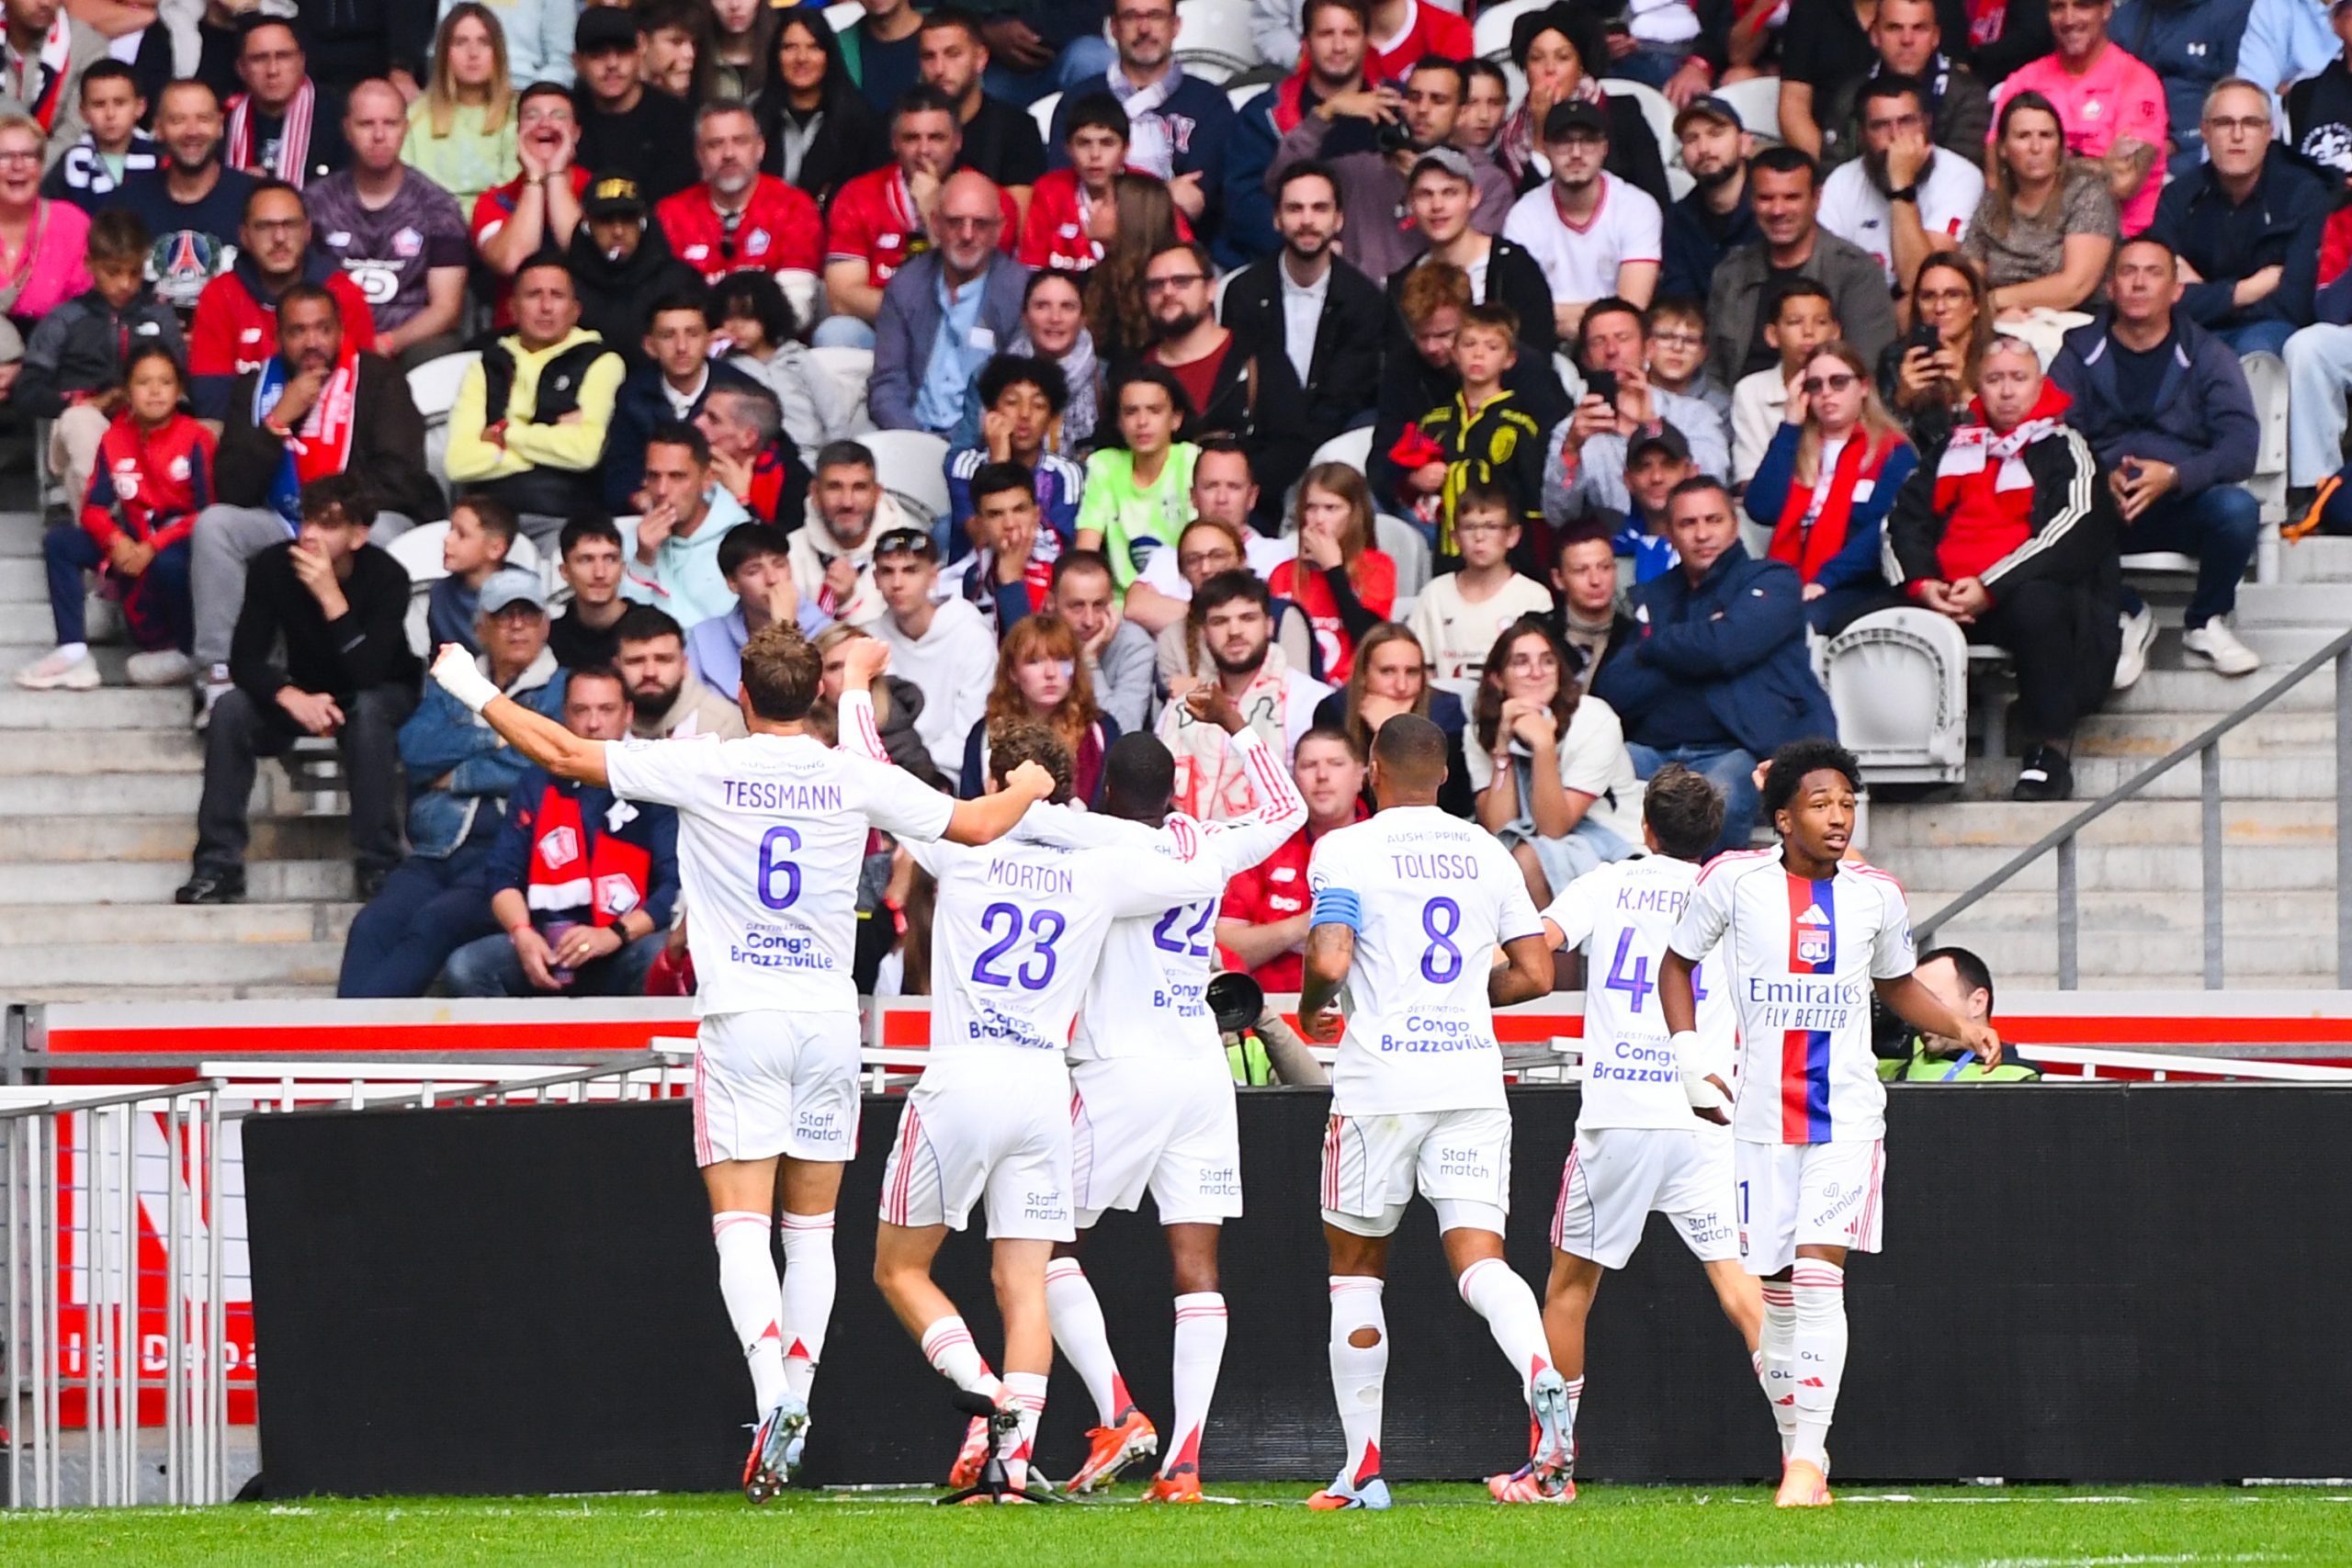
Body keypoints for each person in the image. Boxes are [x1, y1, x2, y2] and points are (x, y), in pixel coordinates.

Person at [425, 625, 1054, 1498]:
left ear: (747, 697)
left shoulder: (705, 762)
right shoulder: (853, 773)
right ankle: (797, 1398)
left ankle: (770, 1402)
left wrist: (469, 686)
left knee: (741, 1227)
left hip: (742, 1017)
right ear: (811, 694)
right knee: (813, 1234)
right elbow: (981, 826)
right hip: (830, 1019)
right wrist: (1028, 781)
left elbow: (565, 752)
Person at [866, 713, 1227, 1501]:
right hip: (1040, 1085)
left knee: (898, 1268)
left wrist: (860, 694)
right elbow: (1200, 875)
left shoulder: (962, 844)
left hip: (962, 1075)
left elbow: (875, 777)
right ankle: (1013, 1461)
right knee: (1026, 1283)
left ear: (998, 782)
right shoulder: (1100, 865)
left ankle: (989, 1397)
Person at [1660, 738, 2002, 1507]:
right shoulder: (1732, 882)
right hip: (1758, 1121)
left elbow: (1894, 983)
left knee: (1817, 1277)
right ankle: (1799, 1455)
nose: (1839, 816)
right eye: (1820, 803)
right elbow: (1675, 964)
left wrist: (1958, 1022)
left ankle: (1808, 1459)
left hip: (1846, 1117)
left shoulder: (1877, 894)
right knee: (1777, 1294)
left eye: (1848, 802)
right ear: (1781, 817)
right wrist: (1687, 1057)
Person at [995, 695, 1304, 1498]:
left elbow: (999, 820)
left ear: (1100, 791)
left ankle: (1122, 1409)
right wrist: (1237, 723)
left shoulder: (1089, 834)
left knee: (1044, 1249)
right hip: (1201, 1069)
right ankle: (1186, 1463)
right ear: (1174, 795)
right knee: (1197, 1268)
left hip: (1119, 1069)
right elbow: (1288, 807)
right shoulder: (1205, 841)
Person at [1294, 712, 1565, 1510]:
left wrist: (1315, 1007)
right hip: (1472, 1081)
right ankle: (1542, 1372)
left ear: (1372, 767)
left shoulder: (1345, 847)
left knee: (1355, 1273)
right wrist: (1465, 999)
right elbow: (1539, 971)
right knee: (1482, 1262)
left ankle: (1364, 1468)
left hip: (1380, 1086)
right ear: (1445, 774)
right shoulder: (1486, 851)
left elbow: (1331, 955)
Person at [1514, 764, 1766, 1503]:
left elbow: (1543, 943)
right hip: (1704, 1112)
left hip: (1620, 1113)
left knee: (1568, 1289)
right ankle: (1804, 1447)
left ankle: (1554, 1469)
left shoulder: (1605, 881)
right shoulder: (1735, 891)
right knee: (1740, 1286)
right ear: (1709, 833)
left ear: (1645, 829)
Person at [1889, 333, 2123, 799]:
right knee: (1869, 613)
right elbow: (1904, 520)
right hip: (1948, 594)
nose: (2007, 390)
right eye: (1994, 379)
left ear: (2039, 385)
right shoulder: (1952, 446)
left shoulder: (2065, 446)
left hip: (2023, 595)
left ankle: (2048, 753)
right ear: (1979, 386)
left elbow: (2071, 530)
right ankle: (1903, 759)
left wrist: (1990, 585)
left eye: (2019, 378)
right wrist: (1922, 584)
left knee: (2039, 605)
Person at [196, 282, 439, 716]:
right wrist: (277, 421)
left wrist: (336, 515)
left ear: (341, 331)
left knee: (378, 535)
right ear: (278, 338)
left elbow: (403, 476)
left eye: (323, 329)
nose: (312, 342)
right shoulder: (255, 387)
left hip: (362, 519)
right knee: (215, 526)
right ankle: (219, 673)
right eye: (298, 331)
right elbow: (233, 488)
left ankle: (363, 668)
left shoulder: (379, 379)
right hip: (281, 518)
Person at [179, 475, 421, 906]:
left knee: (367, 711)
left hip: (381, 689)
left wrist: (331, 598)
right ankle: (218, 863)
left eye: (328, 525)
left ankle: (379, 861)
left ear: (358, 535)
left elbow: (369, 672)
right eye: (307, 520)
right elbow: (245, 659)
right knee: (231, 708)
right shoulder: (275, 566)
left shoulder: (387, 578)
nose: (309, 534)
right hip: (306, 690)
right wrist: (290, 696)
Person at [335, 570, 564, 998]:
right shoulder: (452, 680)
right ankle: (337, 1047)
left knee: (433, 923)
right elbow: (417, 747)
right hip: (436, 849)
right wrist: (495, 737)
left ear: (545, 626)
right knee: (371, 925)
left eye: (528, 616)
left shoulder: (560, 687)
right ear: (481, 627)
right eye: (504, 616)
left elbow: (540, 764)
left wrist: (458, 774)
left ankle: (363, 1046)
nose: (517, 626)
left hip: (503, 858)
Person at [2052, 237, 2264, 677]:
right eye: (2128, 272)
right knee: (2042, 502)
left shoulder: (2209, 354)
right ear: (2110, 287)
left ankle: (2204, 621)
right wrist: (2097, 475)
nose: (2140, 284)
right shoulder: (2078, 350)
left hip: (2178, 503)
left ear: (2176, 289)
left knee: (2237, 508)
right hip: (2098, 508)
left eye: (2153, 273)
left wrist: (2175, 476)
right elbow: (2052, 434)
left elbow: (2241, 448)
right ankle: (2125, 612)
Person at [1590, 477, 1839, 851]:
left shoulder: (1773, 579)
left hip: (1739, 752)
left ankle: (1702, 902)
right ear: (1670, 534)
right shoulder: (1653, 595)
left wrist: (1657, 645)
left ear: (1734, 525)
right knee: (1591, 773)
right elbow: (1613, 689)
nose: (1702, 534)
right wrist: (1700, 646)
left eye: (1713, 520)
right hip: (1654, 750)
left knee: (1717, 799)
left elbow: (1727, 647)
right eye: (1688, 524)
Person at [440, 664, 683, 999]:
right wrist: (523, 935)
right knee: (465, 967)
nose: (593, 723)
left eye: (606, 710)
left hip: (622, 942)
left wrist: (612, 935)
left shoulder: (653, 780)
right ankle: (518, 1054)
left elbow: (676, 886)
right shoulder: (535, 782)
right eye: (581, 710)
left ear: (628, 714)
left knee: (657, 954)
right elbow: (501, 875)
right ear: (564, 715)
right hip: (547, 943)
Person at [16, 344, 207, 693]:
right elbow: (94, 507)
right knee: (60, 542)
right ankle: (73, 653)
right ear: (127, 392)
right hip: (130, 540)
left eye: (165, 382)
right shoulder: (115, 438)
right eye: (143, 382)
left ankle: (188, 650)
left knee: (169, 561)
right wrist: (114, 540)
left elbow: (207, 513)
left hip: (176, 544)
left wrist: (154, 544)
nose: (154, 391)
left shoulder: (197, 438)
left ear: (179, 390)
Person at [1218, 164, 1385, 521]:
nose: (1307, 221)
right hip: (1259, 448)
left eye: (1319, 209)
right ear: (1277, 219)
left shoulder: (1364, 299)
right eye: (1295, 209)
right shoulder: (1244, 292)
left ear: (1339, 219)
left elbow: (1344, 397)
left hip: (1331, 452)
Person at [1267, 57, 1516, 288]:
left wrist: (1420, 189)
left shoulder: (1489, 182)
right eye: (1414, 97)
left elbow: (1466, 268)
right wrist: (1325, 113)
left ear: (1461, 111)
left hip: (1432, 317)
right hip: (1362, 317)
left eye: (1438, 100)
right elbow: (1282, 185)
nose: (1422, 109)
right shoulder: (1363, 171)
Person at [445, 256, 628, 541]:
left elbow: (585, 452)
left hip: (561, 517)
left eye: (556, 295)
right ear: (512, 308)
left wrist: (505, 433)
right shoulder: (485, 365)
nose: (545, 307)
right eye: (533, 295)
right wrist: (551, 442)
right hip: (486, 523)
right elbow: (459, 461)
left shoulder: (601, 362)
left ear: (575, 310)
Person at [821, 86, 1018, 350]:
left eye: (936, 137)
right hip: (879, 329)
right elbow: (843, 297)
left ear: (957, 141)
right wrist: (911, 311)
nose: (923, 150)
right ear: (894, 142)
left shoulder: (991, 200)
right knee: (836, 332)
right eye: (912, 138)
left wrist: (933, 213)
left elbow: (979, 294)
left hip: (961, 333)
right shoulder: (857, 195)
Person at [2144, 77, 2327, 357]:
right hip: (2193, 330)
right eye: (2224, 123)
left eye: (2251, 123)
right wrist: (2243, 292)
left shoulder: (2303, 194)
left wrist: (2206, 297)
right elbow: (2156, 297)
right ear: (2204, 131)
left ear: (2270, 132)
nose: (2238, 135)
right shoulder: (2179, 197)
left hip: (2268, 331)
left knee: (2256, 349)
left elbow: (2296, 304)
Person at [15, 207, 180, 512]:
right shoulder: (64, 319)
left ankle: (122, 534)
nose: (125, 284)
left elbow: (185, 383)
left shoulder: (158, 317)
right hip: (77, 432)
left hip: (146, 431)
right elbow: (28, 391)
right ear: (90, 265)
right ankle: (107, 530)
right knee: (81, 423)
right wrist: (81, 402)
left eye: (134, 272)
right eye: (113, 272)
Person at [1746, 341, 1918, 634]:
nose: (1826, 393)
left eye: (1838, 382)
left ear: (1863, 386)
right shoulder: (1794, 447)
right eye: (1814, 385)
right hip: (1786, 579)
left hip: (1857, 584)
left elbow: (1881, 531)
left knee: (1797, 624)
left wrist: (1825, 580)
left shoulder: (1894, 451)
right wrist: (1790, 426)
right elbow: (1762, 508)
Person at [1470, 615, 1644, 903]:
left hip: (1614, 841)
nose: (1536, 672)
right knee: (1497, 860)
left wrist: (1543, 745)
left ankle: (1547, 950)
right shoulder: (1479, 730)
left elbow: (1553, 828)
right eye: (1521, 662)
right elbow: (1499, 829)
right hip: (1538, 842)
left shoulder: (1594, 718)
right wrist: (1502, 745)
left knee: (1527, 859)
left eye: (1547, 661)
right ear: (1497, 678)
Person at [307, 80, 468, 370]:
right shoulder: (314, 203)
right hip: (325, 341)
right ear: (347, 129)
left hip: (407, 345)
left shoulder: (439, 207)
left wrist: (386, 343)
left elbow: (446, 309)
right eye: (366, 124)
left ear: (405, 128)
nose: (379, 135)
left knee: (440, 351)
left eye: (390, 124)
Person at [1707, 147, 1900, 388]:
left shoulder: (1856, 271)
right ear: (1752, 201)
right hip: (1738, 415)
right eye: (1766, 198)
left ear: (1816, 199)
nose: (1778, 210)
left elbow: (1867, 372)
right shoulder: (1731, 273)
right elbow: (1713, 373)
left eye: (1792, 197)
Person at [1046, 0, 1237, 243]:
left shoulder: (1209, 102)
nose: (1144, 28)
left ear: (1175, 26)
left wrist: (1109, 200)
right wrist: (1166, 194)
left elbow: (1195, 202)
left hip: (1181, 254)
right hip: (1090, 253)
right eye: (1131, 17)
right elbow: (1062, 193)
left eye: (1156, 16)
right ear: (1113, 27)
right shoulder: (1079, 99)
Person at [187, 179, 376, 419]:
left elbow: (366, 389)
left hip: (332, 432)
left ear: (308, 232)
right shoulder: (219, 296)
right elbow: (211, 400)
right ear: (244, 236)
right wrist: (278, 419)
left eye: (290, 225)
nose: (279, 238)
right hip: (245, 438)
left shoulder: (344, 293)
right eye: (265, 227)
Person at [1159, 571, 1332, 821]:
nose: (1234, 631)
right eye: (1219, 621)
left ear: (1269, 626)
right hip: (1193, 851)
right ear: (1204, 633)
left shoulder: (1312, 702)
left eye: (1247, 618)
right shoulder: (1179, 708)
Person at [1544, 297, 1734, 525]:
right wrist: (1572, 451)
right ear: (1586, 358)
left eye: (1623, 338)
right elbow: (1558, 518)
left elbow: (1712, 487)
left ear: (1649, 348)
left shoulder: (1696, 415)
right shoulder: (1572, 430)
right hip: (1613, 554)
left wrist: (1653, 427)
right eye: (1598, 341)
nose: (1612, 350)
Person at [1960, 89, 2120, 355]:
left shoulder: (2086, 193)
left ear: (2060, 145)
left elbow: (2074, 287)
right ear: (2002, 148)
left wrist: (1995, 300)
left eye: (2046, 136)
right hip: (2001, 328)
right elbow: (1966, 280)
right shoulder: (1991, 205)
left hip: (2075, 328)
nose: (2036, 148)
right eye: (2023, 136)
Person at [870, 168, 1028, 435]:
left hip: (984, 441)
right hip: (912, 435)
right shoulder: (906, 284)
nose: (967, 235)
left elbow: (1017, 392)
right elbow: (887, 383)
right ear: (935, 224)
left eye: (980, 224)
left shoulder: (1020, 290)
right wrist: (912, 438)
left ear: (1000, 229)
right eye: (955, 222)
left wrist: (966, 443)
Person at [1991, 0, 2168, 234]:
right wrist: (2100, 164)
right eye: (2058, 8)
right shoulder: (2022, 81)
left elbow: (2124, 181)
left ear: (2106, 10)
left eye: (2082, 6)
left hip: (2118, 242)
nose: (2069, 19)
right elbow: (1997, 178)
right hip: (2033, 237)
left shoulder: (2137, 81)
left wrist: (2035, 167)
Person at [1404, 302, 1556, 573]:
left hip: (1509, 561)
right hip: (1448, 555)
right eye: (1469, 344)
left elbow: (1535, 504)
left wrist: (1537, 568)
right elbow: (1403, 486)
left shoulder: (1521, 424)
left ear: (1509, 359)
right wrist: (1415, 479)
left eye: (1492, 347)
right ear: (1454, 352)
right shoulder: (1434, 421)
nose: (1478, 354)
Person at [1225, 0, 1380, 266]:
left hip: (1379, 270)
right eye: (1326, 34)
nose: (1339, 46)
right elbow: (1244, 208)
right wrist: (1312, 249)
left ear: (1367, 40)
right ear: (1305, 42)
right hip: (1286, 268)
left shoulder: (1396, 106)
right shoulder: (1264, 114)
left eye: (1350, 34)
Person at [1216, 724, 1368, 990]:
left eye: (1335, 764)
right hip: (1271, 1014)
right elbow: (1221, 951)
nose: (1322, 775)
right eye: (1309, 765)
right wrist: (1302, 927)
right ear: (1292, 778)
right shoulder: (1263, 843)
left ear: (1361, 776)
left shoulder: (1384, 844)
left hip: (1366, 1013)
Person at [1503, 102, 1666, 343]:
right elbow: (1519, 309)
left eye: (1588, 141)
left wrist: (1555, 315)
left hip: (1617, 345)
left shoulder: (1637, 207)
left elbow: (1630, 310)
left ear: (1604, 148)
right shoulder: (1524, 214)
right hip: (1545, 344)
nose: (1576, 153)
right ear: (1546, 148)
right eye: (1564, 141)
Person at [1817, 74, 1984, 300]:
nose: (1895, 137)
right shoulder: (1841, 181)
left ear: (1927, 123)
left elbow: (1920, 282)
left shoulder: (1961, 177)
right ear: (1862, 134)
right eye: (1880, 125)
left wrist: (1901, 185)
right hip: (1860, 305)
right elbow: (1829, 275)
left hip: (1928, 311)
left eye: (1906, 122)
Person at [1389, 147, 1559, 361]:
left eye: (1450, 192)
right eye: (1425, 194)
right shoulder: (1402, 283)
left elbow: (1538, 353)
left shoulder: (1514, 268)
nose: (1437, 205)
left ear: (1474, 197)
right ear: (1411, 204)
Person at [1493, 5, 1672, 203]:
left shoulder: (1622, 115)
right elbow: (1527, 211)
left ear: (1580, 67)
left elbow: (1657, 199)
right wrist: (1539, 130)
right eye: (1536, 58)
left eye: (1563, 57)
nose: (1550, 69)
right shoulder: (1511, 136)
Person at [605, 294, 762, 512]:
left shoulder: (742, 391)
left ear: (709, 340)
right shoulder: (633, 393)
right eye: (668, 336)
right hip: (651, 511)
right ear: (650, 346)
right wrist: (637, 498)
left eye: (693, 334)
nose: (681, 347)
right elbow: (617, 475)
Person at [652, 101, 824, 298]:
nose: (728, 154)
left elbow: (795, 309)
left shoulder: (794, 208)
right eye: (715, 144)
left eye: (740, 141)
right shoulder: (669, 214)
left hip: (770, 327)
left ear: (760, 148)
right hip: (693, 327)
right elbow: (661, 301)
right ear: (699, 155)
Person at [1308, 622, 1476, 818]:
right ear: (1363, 674)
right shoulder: (1335, 710)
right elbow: (1335, 798)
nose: (1401, 685)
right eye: (1387, 671)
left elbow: (1455, 803)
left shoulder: (1445, 710)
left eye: (1412, 672)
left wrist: (1392, 729)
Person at [117, 80, 255, 316]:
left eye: (203, 119)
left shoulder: (256, 199)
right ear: (158, 129)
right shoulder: (124, 205)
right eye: (178, 120)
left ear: (220, 126)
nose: (192, 131)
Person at [944, 356, 1083, 592]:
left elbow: (1057, 549)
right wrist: (1000, 459)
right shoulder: (964, 465)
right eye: (1011, 402)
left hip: (1043, 590)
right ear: (990, 411)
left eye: (1038, 406)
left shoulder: (1065, 474)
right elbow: (985, 537)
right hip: (973, 590)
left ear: (1052, 419)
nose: (1025, 414)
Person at [874, 525, 999, 777]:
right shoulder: (870, 639)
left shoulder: (972, 636)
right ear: (875, 579)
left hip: (955, 779)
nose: (897, 583)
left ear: (934, 576)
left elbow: (972, 733)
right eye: (888, 571)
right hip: (888, 776)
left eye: (910, 571)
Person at [1408, 480, 1556, 688]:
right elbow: (1418, 665)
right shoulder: (1434, 594)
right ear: (1455, 537)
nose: (1479, 537)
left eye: (1491, 526)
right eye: (1469, 527)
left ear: (1512, 536)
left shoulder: (1533, 597)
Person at [1811, 0, 1994, 167]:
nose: (1907, 40)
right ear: (1875, 35)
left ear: (1936, 37)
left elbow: (1960, 178)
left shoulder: (1967, 96)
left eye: (1919, 28)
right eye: (1894, 28)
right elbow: (1832, 177)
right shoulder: (1851, 96)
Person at [962, 611, 1121, 801]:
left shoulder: (1102, 731)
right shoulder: (985, 734)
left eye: (1062, 660)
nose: (1051, 673)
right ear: (1012, 671)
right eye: (1035, 661)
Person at [471, 83, 591, 326]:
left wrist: (555, 174)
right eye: (532, 116)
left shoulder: (599, 190)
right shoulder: (491, 201)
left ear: (576, 133)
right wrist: (535, 178)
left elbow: (586, 258)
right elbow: (514, 261)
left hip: (588, 329)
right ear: (518, 132)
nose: (544, 124)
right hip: (512, 335)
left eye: (558, 116)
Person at [619, 422, 755, 631]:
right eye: (654, 476)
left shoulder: (745, 541)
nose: (662, 490)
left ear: (708, 478)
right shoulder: (631, 541)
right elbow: (625, 631)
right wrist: (643, 561)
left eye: (677, 476)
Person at [1267, 463, 1395, 685]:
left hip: (1352, 691)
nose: (1318, 519)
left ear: (1354, 513)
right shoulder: (1282, 573)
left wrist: (1334, 570)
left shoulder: (1377, 566)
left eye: (1331, 508)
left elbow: (1370, 640)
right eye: (1311, 508)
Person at [567, 176, 708, 374]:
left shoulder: (679, 279)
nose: (618, 231)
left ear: (643, 222)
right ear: (587, 225)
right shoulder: (565, 282)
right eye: (606, 220)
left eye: (628, 219)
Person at [1076, 366, 1200, 590]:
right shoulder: (1104, 465)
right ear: (1118, 422)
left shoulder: (1192, 461)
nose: (1142, 422)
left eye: (1154, 410)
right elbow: (1086, 550)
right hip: (1122, 607)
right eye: (1131, 412)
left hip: (1184, 597)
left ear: (1176, 419)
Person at [1010, 548, 1158, 736]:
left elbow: (1125, 731)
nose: (1089, 621)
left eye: (1099, 605)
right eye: (1077, 606)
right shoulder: (1035, 640)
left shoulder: (1135, 645)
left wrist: (1088, 662)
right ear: (1050, 603)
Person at [712, 267, 855, 459]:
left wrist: (835, 461)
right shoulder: (723, 367)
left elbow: (833, 415)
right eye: (728, 317)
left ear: (768, 315)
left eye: (747, 317)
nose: (736, 326)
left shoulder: (797, 358)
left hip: (809, 456)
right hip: (753, 461)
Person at [761, 6, 890, 214]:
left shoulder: (861, 124)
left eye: (814, 47)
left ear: (828, 55)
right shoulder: (753, 119)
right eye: (790, 47)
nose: (801, 58)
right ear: (776, 55)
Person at [918, 7, 1046, 207]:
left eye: (953, 54)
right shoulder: (902, 127)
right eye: (929, 57)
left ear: (980, 58)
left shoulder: (1017, 130)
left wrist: (933, 205)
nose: (939, 69)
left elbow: (1019, 228)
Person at [571, 6, 698, 204]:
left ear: (640, 52)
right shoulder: (568, 116)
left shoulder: (676, 120)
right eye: (598, 54)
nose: (612, 64)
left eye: (622, 52)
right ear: (577, 62)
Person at [401, 5, 517, 214]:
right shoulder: (415, 115)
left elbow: (514, 190)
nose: (473, 53)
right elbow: (406, 190)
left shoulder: (518, 113)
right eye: (460, 42)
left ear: (498, 52)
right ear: (444, 53)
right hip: (432, 229)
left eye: (484, 42)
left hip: (500, 226)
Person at [1731, 281, 1845, 484]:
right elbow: (1749, 481)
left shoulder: (1852, 386)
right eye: (1794, 322)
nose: (1808, 332)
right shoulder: (1751, 391)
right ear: (1772, 335)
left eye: (1820, 322)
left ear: (1836, 332)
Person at [790, 440, 909, 631]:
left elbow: (905, 640)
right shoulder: (790, 553)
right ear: (815, 492)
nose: (847, 502)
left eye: (859, 487)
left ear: (877, 493)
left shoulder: (910, 552)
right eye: (834, 487)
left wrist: (849, 601)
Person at [684, 522, 813, 694]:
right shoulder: (704, 637)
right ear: (732, 583)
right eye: (754, 571)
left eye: (779, 564)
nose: (772, 579)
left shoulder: (824, 632)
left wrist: (785, 628)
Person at [221, 15, 349, 188]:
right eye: (259, 58)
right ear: (241, 68)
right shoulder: (222, 122)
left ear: (301, 61)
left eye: (283, 56)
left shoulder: (338, 118)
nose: (272, 70)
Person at [1878, 946, 2042, 1079]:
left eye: (1932, 1000)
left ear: (1977, 1003)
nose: (1921, 1013)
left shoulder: (2014, 1078)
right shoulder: (1900, 1052)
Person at [1881, 252, 1993, 444]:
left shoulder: (2001, 355)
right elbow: (1880, 447)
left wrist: (1965, 394)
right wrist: (1901, 402)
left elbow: (2015, 435)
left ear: (1975, 305)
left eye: (1953, 295)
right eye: (1928, 296)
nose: (1940, 307)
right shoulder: (1894, 359)